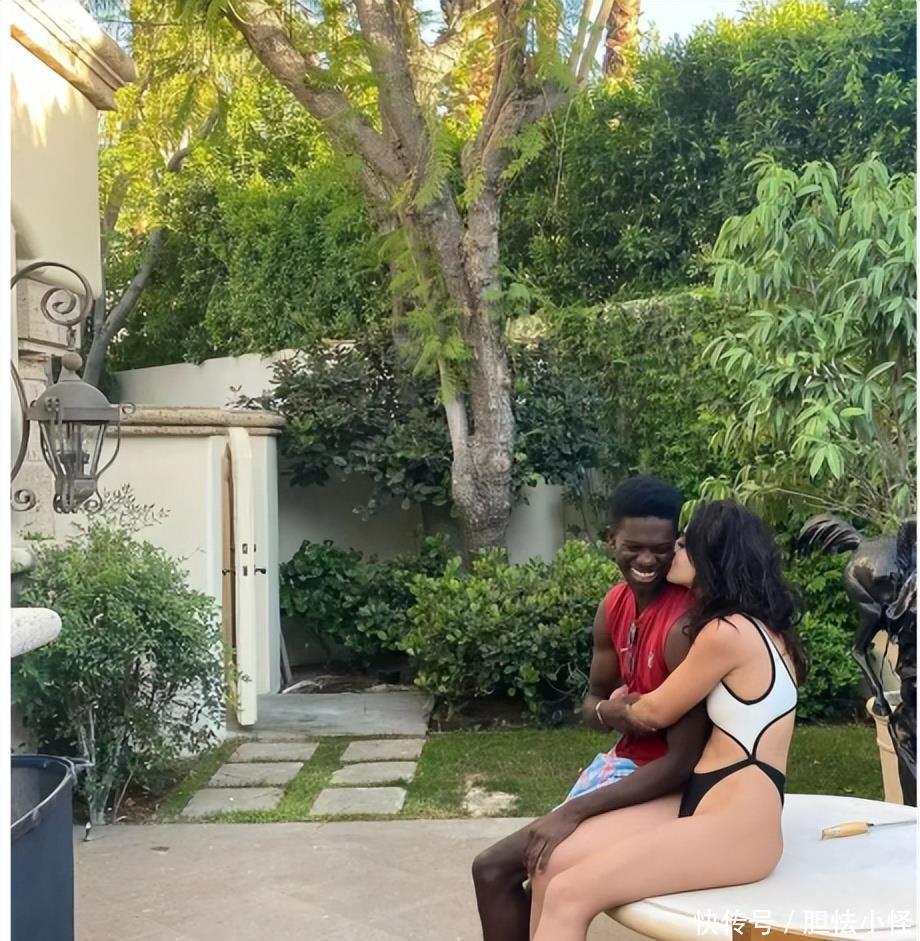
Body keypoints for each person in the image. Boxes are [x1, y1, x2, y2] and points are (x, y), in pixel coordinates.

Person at [529, 500, 808, 941]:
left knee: (569, 892)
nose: (673, 548)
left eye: (684, 543)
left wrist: (611, 707)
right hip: (707, 801)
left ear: (710, 557)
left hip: (738, 827)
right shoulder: (764, 628)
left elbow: (655, 711)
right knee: (552, 862)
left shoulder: (726, 633)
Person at [472, 476, 710, 941]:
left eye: (661, 549)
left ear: (677, 544)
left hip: (670, 788)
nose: (647, 561)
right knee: (500, 872)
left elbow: (682, 762)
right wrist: (612, 714)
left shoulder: (683, 625)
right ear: (610, 540)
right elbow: (591, 704)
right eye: (633, 547)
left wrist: (572, 812)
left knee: (508, 867)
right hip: (625, 768)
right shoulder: (613, 605)